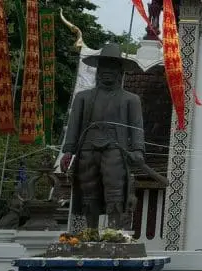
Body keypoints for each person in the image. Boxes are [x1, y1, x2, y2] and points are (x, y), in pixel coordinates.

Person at [61, 43, 146, 230]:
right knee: (88, 191)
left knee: (114, 190)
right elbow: (74, 125)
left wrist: (138, 149)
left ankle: (113, 231)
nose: (107, 71)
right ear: (98, 71)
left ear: (120, 71)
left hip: (115, 149)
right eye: (103, 67)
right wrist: (68, 151)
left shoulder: (130, 100)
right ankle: (90, 232)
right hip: (87, 148)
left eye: (112, 67)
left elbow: (136, 128)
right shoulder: (83, 97)